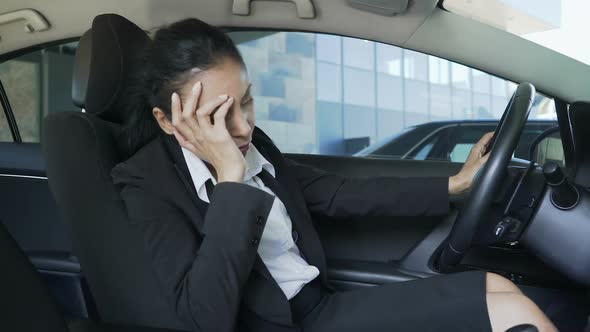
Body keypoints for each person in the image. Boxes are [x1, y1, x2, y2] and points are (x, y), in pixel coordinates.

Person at [111, 18, 557, 332]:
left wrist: (455, 185)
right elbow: (203, 316)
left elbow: (338, 191)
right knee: (512, 319)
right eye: (219, 116)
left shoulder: (255, 144)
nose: (244, 127)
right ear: (168, 120)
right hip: (278, 324)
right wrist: (229, 176)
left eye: (245, 102)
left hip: (321, 310)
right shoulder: (145, 184)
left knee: (496, 288)